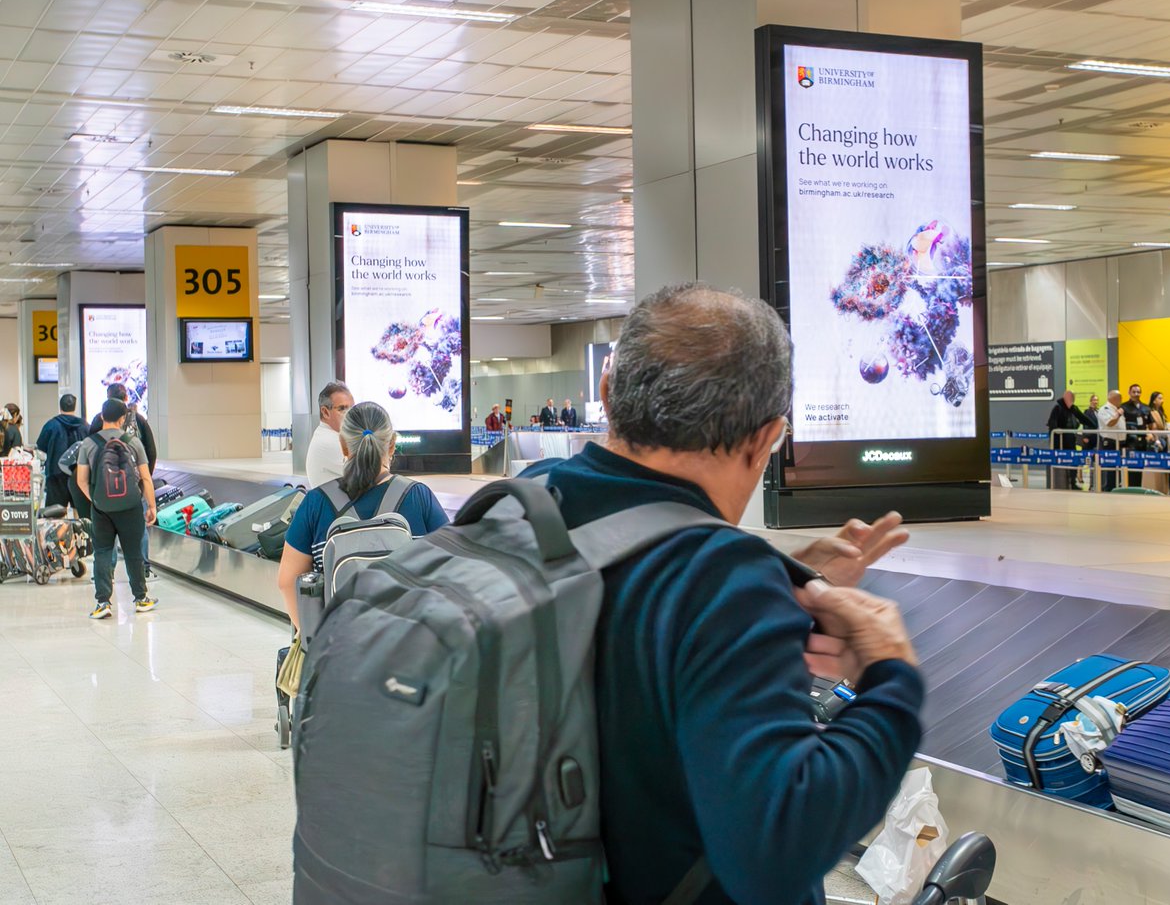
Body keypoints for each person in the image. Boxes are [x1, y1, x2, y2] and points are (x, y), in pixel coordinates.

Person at [523, 284, 921, 905]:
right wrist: (893, 680)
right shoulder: (720, 582)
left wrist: (779, 579)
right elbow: (780, 850)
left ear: (606, 394)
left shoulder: (529, 499)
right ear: (767, 438)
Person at [279, 401, 449, 629]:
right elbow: (453, 569)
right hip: (410, 650)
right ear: (391, 446)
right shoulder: (419, 497)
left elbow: (287, 581)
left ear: (343, 446)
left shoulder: (316, 502)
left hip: (342, 652)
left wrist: (314, 642)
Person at [76, 399, 158, 619]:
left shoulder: (88, 443)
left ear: (102, 416)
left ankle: (103, 602)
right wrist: (151, 506)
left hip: (101, 508)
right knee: (133, 552)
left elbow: (81, 480)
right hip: (130, 507)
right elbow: (146, 478)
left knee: (102, 552)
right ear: (123, 419)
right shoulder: (132, 442)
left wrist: (96, 499)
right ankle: (141, 598)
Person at [90, 384, 158, 580]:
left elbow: (90, 451)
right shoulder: (139, 419)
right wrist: (144, 481)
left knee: (105, 532)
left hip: (104, 486)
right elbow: (151, 451)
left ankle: (107, 571)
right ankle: (143, 569)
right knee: (139, 528)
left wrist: (94, 487)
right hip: (133, 484)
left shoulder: (98, 420)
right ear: (127, 397)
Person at [36, 394, 87, 509]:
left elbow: (41, 449)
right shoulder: (84, 426)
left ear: (60, 407)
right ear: (75, 407)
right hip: (79, 475)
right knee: (80, 512)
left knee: (55, 515)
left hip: (55, 476)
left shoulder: (51, 425)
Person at [306, 380, 354, 489]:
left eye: (352, 408)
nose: (350, 415)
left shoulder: (332, 436)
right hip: (340, 505)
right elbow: (369, 476)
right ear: (325, 412)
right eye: (342, 409)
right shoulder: (329, 441)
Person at [1046, 390, 1086, 490]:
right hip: (1060, 442)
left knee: (1074, 462)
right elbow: (1052, 424)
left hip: (1071, 441)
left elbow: (1078, 422)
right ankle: (1059, 483)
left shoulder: (1073, 410)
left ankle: (1073, 482)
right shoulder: (1057, 408)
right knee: (1061, 463)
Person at [1146, 391, 1170, 495]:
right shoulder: (1151, 411)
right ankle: (1161, 488)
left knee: (1169, 463)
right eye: (1160, 398)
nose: (1162, 400)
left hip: (1164, 439)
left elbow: (1163, 425)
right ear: (1154, 400)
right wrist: (1157, 440)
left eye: (1162, 398)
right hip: (1158, 440)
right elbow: (1153, 427)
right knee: (1160, 465)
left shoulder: (1160, 411)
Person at [1121, 383, 1151, 487]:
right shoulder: (1123, 407)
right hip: (1130, 442)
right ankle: (1132, 489)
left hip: (1143, 442)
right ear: (1129, 393)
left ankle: (1139, 489)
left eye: (1138, 392)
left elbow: (1150, 424)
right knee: (1132, 468)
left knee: (1141, 467)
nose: (1136, 394)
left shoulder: (1146, 408)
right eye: (1134, 392)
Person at [1097, 390, 1125, 492]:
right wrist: (1118, 414)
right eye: (1120, 398)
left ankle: (1117, 487)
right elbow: (1110, 423)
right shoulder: (1105, 409)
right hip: (1110, 443)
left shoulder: (1117, 410)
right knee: (1110, 468)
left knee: (1118, 468)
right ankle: (1109, 489)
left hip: (1120, 443)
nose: (1121, 401)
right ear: (1115, 398)